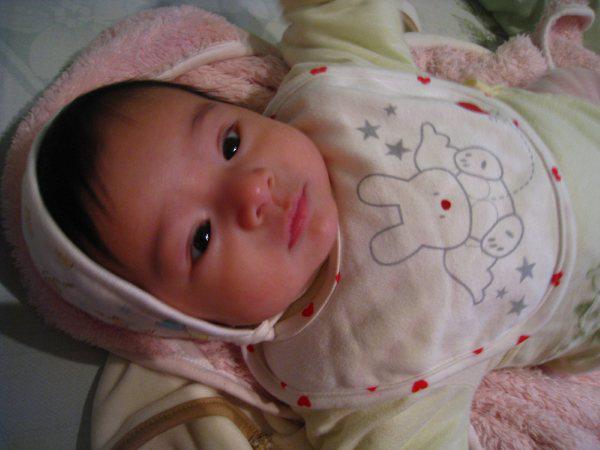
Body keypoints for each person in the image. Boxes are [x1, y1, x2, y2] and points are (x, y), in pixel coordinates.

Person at [23, 0, 599, 446]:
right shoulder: (348, 374)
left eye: (230, 143)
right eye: (201, 238)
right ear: (198, 325)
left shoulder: (334, 97)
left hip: (570, 114)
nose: (252, 189)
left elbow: (340, 11)